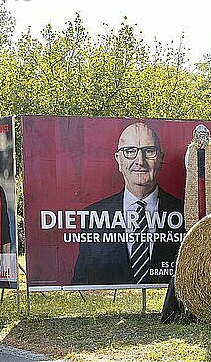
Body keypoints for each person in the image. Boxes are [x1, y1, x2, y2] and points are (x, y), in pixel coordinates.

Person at [72, 122, 185, 285]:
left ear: (161, 158)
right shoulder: (93, 217)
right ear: (119, 160)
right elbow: (80, 284)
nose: (140, 161)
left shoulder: (185, 213)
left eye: (149, 151)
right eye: (130, 151)